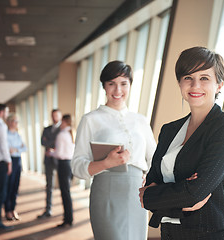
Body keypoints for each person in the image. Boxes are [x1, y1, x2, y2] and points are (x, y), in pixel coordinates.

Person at [139, 46, 224, 240]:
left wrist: (153, 196)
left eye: (204, 78)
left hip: (210, 234)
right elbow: (153, 187)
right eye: (188, 77)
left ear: (219, 85)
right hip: (170, 234)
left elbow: (195, 193)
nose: (195, 86)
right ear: (180, 83)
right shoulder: (169, 130)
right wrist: (179, 195)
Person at [71, 60, 156, 240]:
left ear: (130, 85)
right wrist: (106, 163)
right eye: (112, 84)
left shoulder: (140, 120)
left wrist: (151, 178)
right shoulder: (91, 120)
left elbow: (155, 159)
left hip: (138, 195)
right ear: (104, 86)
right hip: (106, 193)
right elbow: (77, 166)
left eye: (123, 84)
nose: (118, 91)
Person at [38, 109, 62, 219]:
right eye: (53, 115)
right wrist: (54, 142)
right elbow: (42, 142)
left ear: (60, 116)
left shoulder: (63, 129)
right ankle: (48, 209)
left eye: (56, 115)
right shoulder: (47, 129)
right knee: (49, 186)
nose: (54, 117)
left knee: (63, 187)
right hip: (48, 160)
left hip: (60, 160)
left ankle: (65, 212)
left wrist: (50, 143)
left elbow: (58, 142)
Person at [52, 114, 75, 227]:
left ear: (65, 122)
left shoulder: (62, 135)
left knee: (65, 193)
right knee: (67, 192)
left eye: (61, 122)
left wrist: (50, 152)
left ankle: (68, 219)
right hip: (71, 165)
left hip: (63, 165)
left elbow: (59, 153)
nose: (60, 124)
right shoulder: (73, 133)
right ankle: (68, 218)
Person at [4, 113, 27, 221]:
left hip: (18, 161)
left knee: (16, 187)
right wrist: (18, 148)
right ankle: (7, 211)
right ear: (9, 122)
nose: (16, 123)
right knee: (9, 186)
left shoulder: (18, 135)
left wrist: (16, 149)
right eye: (14, 121)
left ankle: (13, 209)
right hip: (10, 161)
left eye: (17, 121)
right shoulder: (5, 135)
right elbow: (8, 149)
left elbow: (25, 148)